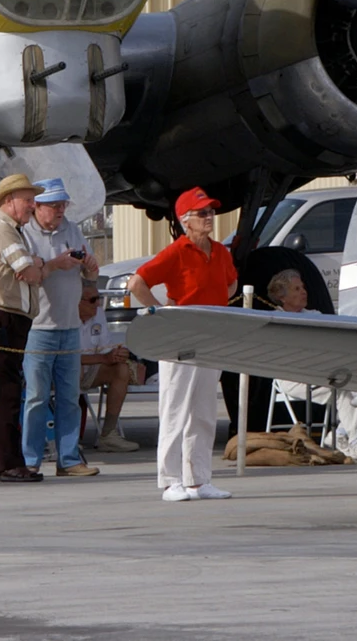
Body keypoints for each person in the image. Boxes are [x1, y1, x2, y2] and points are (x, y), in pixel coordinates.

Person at [129, 186, 239, 502]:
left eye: (211, 212)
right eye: (202, 213)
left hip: (210, 333)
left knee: (203, 409)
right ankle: (170, 480)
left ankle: (198, 479)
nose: (209, 217)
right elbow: (137, 282)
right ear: (185, 220)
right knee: (176, 407)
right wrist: (162, 314)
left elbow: (230, 283)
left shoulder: (221, 251)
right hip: (180, 335)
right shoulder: (176, 252)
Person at [20, 178, 101, 478]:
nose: (60, 210)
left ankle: (69, 459)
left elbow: (92, 274)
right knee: (36, 397)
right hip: (38, 328)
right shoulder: (24, 233)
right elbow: (27, 274)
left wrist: (90, 266)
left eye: (63, 204)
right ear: (37, 207)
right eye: (54, 205)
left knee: (70, 396)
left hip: (69, 325)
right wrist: (56, 263)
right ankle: (30, 459)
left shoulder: (72, 229)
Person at [268, 267, 357, 461]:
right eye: (296, 289)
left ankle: (341, 435)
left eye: (302, 287)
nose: (303, 292)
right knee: (345, 388)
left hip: (324, 373)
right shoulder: (275, 320)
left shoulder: (314, 314)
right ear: (282, 297)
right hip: (294, 377)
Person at [0, 172, 43, 483]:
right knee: (6, 392)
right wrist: (37, 265)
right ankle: (8, 463)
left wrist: (36, 265)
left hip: (6, 318)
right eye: (27, 199)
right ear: (9, 201)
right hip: (2, 317)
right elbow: (28, 272)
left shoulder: (13, 231)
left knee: (2, 391)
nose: (32, 205)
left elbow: (30, 270)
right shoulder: (4, 231)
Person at [77, 281, 141, 452]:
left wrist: (117, 354)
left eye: (98, 299)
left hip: (90, 368)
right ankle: (67, 437)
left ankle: (108, 434)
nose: (97, 304)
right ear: (76, 301)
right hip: (63, 371)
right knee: (72, 370)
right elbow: (64, 357)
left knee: (121, 368)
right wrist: (103, 357)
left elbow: (106, 348)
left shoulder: (98, 314)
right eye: (92, 300)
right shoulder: (63, 317)